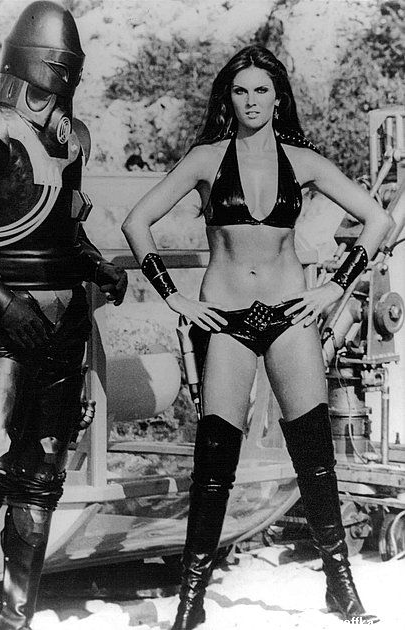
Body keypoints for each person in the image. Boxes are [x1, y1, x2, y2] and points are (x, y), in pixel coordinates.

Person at [122, 44, 392, 630]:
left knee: (314, 460)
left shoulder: (304, 161)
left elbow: (380, 219)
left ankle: (341, 587)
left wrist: (335, 287)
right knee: (213, 462)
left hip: (290, 318)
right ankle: (191, 600)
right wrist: (173, 295)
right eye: (240, 90)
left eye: (261, 90)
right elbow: (136, 222)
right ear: (229, 97)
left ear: (277, 97)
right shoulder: (205, 159)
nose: (251, 101)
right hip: (226, 321)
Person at [0, 2, 127, 629]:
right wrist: (3, 302)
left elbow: (64, 230)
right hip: (2, 322)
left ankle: (16, 619)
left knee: (41, 479)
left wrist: (98, 267)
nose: (59, 81)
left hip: (63, 326)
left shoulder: (70, 139)